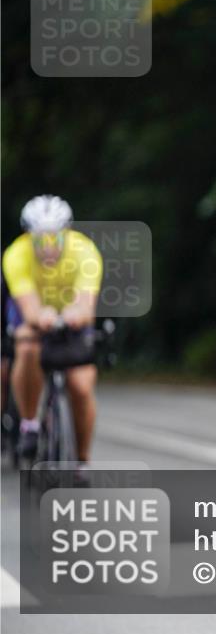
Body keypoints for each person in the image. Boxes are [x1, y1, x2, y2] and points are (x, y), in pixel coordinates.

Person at [2, 195, 103, 478]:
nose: (47, 248)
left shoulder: (85, 251)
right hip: (35, 315)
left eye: (54, 239)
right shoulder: (16, 255)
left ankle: (82, 460)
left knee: (81, 385)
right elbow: (29, 308)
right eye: (39, 241)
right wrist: (40, 316)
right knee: (27, 347)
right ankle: (30, 424)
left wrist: (75, 314)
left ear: (66, 235)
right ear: (28, 237)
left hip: (72, 317)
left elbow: (86, 305)